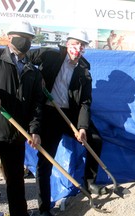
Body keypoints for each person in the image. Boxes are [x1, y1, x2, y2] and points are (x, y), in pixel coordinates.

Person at [27, 29, 107, 216]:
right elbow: (24, 59)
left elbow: (85, 102)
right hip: (48, 112)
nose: (77, 47)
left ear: (84, 48)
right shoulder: (49, 55)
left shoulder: (83, 72)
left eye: (81, 45)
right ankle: (44, 207)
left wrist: (82, 127)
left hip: (70, 114)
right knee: (45, 159)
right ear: (67, 43)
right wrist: (35, 78)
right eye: (74, 43)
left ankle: (90, 183)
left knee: (95, 140)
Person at [0, 20, 43, 216]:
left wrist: (34, 130)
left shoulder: (33, 71)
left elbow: (36, 104)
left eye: (28, 38)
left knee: (16, 180)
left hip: (16, 133)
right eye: (21, 36)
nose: (25, 41)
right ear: (9, 37)